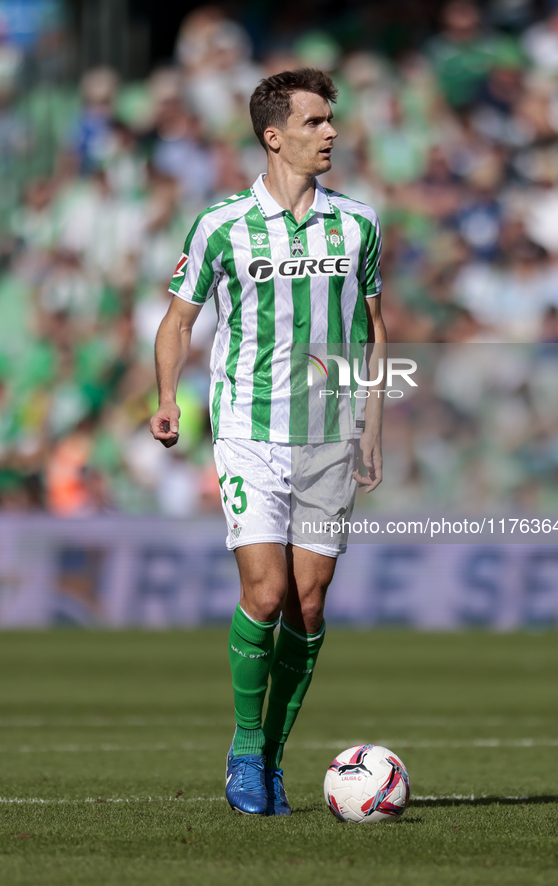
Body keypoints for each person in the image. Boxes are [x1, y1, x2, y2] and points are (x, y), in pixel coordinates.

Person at [149, 68, 386, 816]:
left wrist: (371, 426)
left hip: (327, 436)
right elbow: (178, 322)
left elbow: (374, 332)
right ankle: (247, 751)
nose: (331, 133)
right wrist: (166, 399)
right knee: (267, 590)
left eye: (331, 121)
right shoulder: (220, 224)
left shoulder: (358, 224)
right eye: (315, 122)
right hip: (248, 429)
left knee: (308, 607)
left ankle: (275, 759)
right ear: (273, 135)